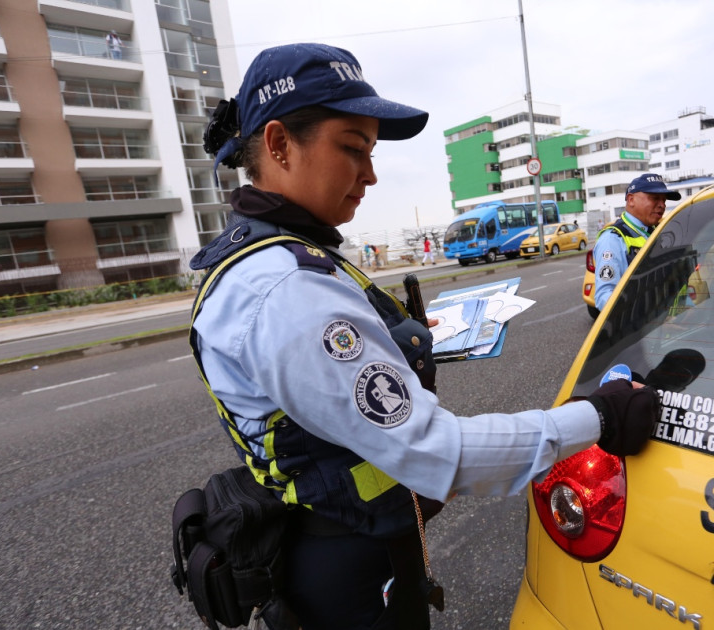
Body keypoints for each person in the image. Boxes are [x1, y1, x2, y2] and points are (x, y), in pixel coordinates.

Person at [191, 42, 659, 630]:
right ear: (280, 144)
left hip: (333, 546)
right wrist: (601, 417)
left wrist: (398, 341)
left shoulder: (270, 255)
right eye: (352, 149)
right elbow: (441, 454)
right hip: (345, 572)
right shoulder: (287, 286)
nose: (371, 173)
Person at [592, 173, 681, 312]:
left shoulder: (658, 233)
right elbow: (605, 296)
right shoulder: (613, 239)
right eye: (655, 198)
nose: (662, 205)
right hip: (643, 331)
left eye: (664, 200)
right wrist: (644, 321)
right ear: (631, 199)